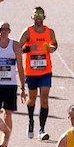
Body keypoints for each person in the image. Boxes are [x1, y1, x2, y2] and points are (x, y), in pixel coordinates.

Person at [19, 9, 58, 138]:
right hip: (31, 72)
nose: (38, 18)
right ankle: (31, 121)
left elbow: (55, 44)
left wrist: (52, 48)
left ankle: (42, 130)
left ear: (44, 17)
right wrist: (29, 48)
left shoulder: (49, 31)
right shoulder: (28, 32)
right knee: (32, 99)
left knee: (45, 100)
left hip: (45, 71)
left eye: (40, 16)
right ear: (32, 17)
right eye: (36, 16)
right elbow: (18, 48)